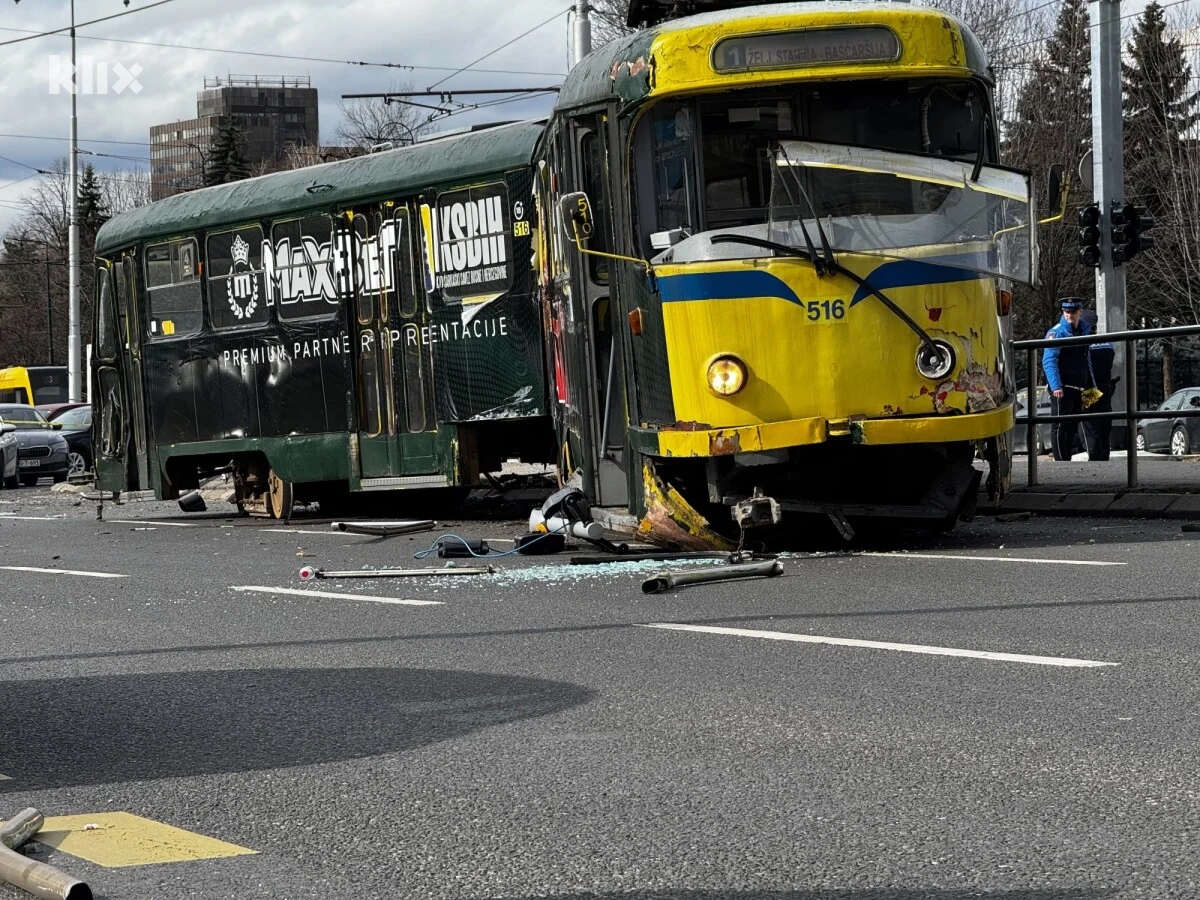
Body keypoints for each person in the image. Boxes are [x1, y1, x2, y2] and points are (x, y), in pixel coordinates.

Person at [1042, 298, 1093, 460]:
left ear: (1080, 311)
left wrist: (1091, 386)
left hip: (1079, 387)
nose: (1069, 315)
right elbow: (1049, 360)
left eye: (1073, 312)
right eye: (1066, 312)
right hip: (1063, 388)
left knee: (1072, 426)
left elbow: (1087, 360)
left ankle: (1066, 459)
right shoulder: (1057, 332)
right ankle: (1061, 462)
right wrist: (1056, 386)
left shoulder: (1084, 330)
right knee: (1060, 426)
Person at [1080, 309, 1116, 461]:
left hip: (1090, 389)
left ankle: (1095, 457)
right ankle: (1104, 456)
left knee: (1089, 423)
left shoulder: (1084, 344)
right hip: (1105, 388)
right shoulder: (1107, 343)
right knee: (1104, 425)